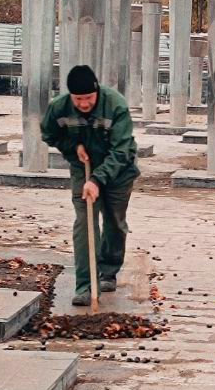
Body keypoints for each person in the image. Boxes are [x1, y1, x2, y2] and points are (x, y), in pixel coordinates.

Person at [40, 65, 141, 307]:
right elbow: (49, 134)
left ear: (96, 90)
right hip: (82, 166)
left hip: (119, 170)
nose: (84, 104)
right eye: (78, 99)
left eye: (88, 98)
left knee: (115, 222)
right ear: (70, 95)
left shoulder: (115, 105)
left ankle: (108, 269)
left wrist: (97, 180)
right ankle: (85, 284)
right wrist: (72, 148)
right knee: (85, 223)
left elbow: (121, 150)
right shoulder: (59, 107)